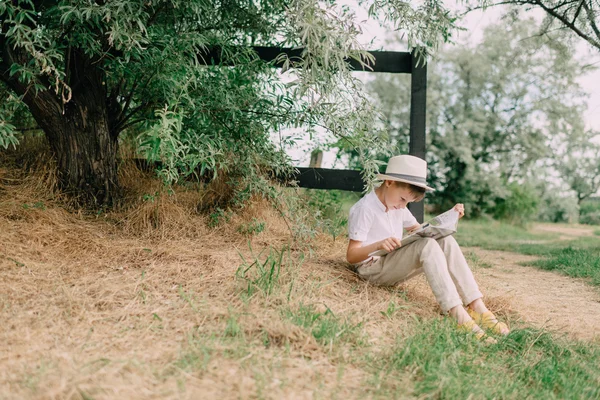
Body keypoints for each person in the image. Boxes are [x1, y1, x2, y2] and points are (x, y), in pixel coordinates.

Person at [346, 155, 509, 342]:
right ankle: (457, 314)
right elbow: (351, 255)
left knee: (445, 240)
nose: (403, 205)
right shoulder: (365, 208)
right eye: (402, 199)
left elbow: (418, 230)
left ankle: (476, 306)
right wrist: (378, 244)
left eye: (407, 202)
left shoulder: (398, 206)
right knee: (426, 245)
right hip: (372, 269)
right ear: (389, 182)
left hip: (391, 262)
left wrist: (448, 220)